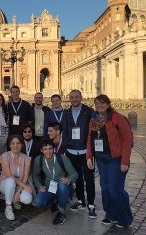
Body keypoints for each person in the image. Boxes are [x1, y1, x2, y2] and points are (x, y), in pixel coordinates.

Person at [87, 94, 133, 228]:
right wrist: (89, 156)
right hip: (101, 160)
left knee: (115, 190)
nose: (99, 106)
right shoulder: (94, 120)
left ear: (108, 104)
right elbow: (90, 139)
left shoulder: (117, 118)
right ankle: (111, 214)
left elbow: (127, 139)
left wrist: (125, 161)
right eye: (97, 103)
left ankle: (124, 218)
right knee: (105, 189)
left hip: (116, 159)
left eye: (102, 103)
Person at [63, 90, 96, 218]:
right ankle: (81, 200)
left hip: (85, 151)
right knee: (77, 178)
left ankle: (91, 204)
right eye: (72, 97)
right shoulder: (66, 113)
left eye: (77, 97)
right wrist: (67, 144)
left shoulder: (89, 111)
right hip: (71, 151)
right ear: (69, 98)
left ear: (81, 97)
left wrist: (91, 149)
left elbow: (94, 130)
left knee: (89, 178)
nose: (74, 99)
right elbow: (64, 130)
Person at [32, 139, 78, 225]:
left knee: (62, 184)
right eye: (45, 149)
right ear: (41, 150)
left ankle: (61, 212)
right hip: (49, 187)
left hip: (63, 186)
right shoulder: (39, 160)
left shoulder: (62, 158)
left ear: (54, 149)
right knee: (38, 202)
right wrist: (39, 186)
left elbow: (75, 174)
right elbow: (35, 175)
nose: (48, 151)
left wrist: (69, 179)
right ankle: (56, 200)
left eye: (50, 149)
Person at [0, 135, 33, 221]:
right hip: (5, 183)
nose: (15, 146)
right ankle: (8, 207)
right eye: (12, 143)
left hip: (20, 184)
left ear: (21, 145)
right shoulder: (5, 156)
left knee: (28, 199)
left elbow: (25, 177)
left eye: (18, 143)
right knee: (10, 181)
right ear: (9, 145)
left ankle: (14, 198)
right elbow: (9, 175)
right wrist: (25, 187)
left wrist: (19, 191)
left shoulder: (26, 158)